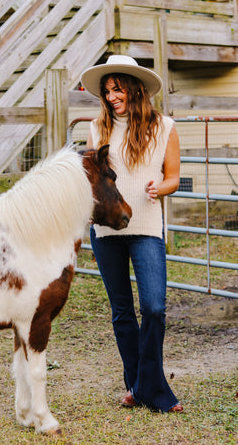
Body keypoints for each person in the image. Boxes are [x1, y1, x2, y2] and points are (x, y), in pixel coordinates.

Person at [80, 55, 183, 413]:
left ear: (134, 88)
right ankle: (139, 387)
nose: (111, 96)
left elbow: (173, 176)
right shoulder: (97, 128)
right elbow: (93, 178)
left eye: (117, 88)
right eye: (107, 91)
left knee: (154, 308)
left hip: (147, 229)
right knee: (122, 311)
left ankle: (145, 387)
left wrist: (162, 188)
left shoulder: (164, 127)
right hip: (107, 232)